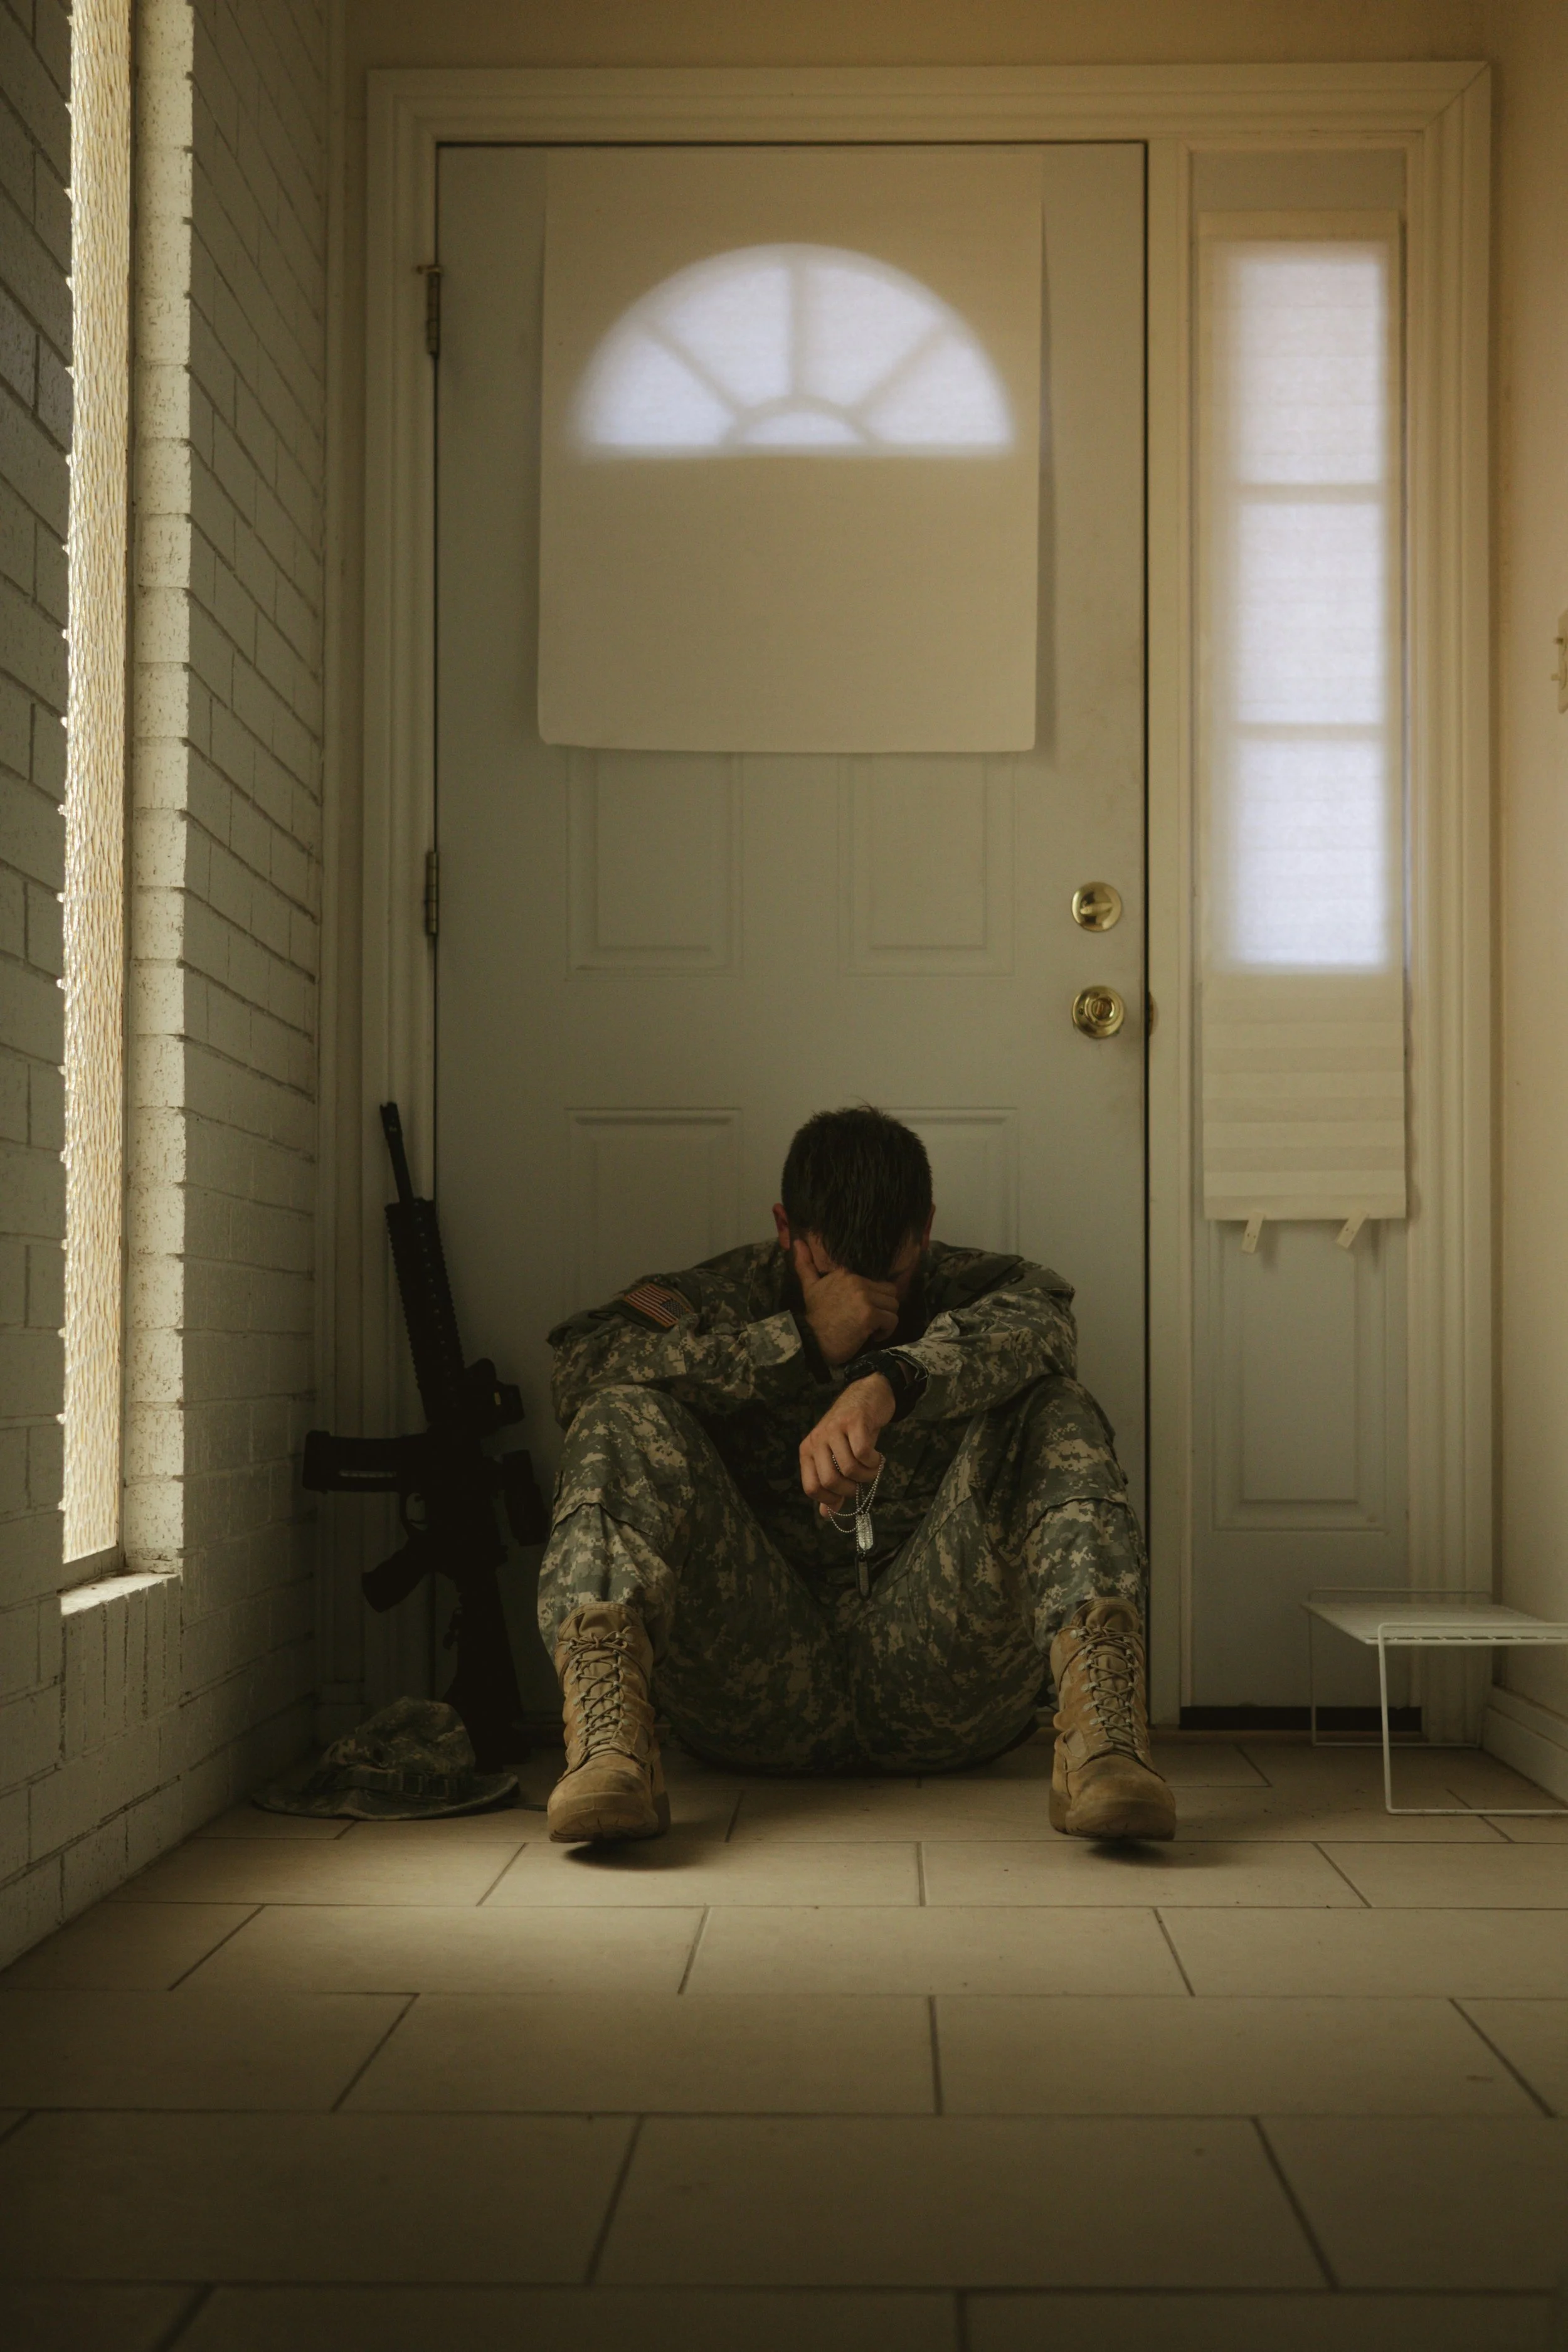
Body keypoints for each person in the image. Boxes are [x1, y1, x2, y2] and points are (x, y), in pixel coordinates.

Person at [536, 1106, 1175, 1846]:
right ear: (787, 1230)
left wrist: (890, 1380)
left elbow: (1044, 1331)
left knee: (1054, 1405)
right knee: (618, 1414)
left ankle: (1105, 1751)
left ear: (925, 1228)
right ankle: (611, 1753)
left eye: (893, 1276)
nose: (872, 1304)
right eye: (835, 1270)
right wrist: (798, 1341)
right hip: (753, 1676)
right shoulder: (723, 1296)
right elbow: (578, 1367)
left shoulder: (984, 1287)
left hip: (944, 1672)